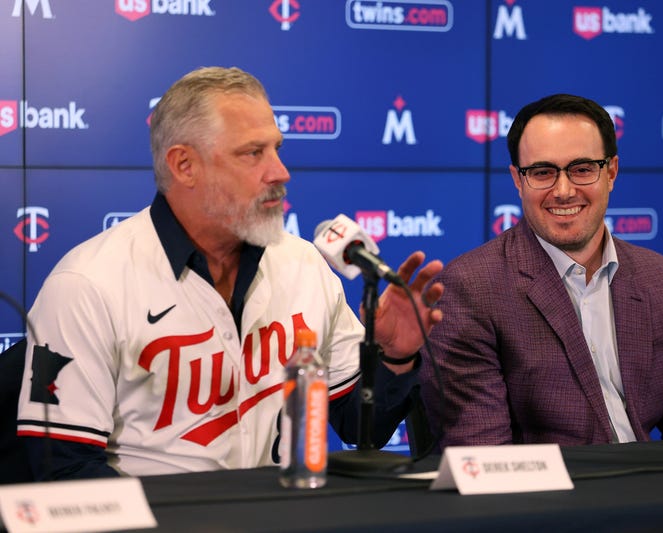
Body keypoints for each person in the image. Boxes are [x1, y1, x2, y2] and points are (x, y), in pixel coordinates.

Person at [16, 66, 443, 479]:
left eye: (277, 148)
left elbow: (361, 429)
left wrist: (396, 358)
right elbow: (63, 469)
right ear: (185, 166)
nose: (280, 172)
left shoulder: (303, 265)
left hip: (281, 513)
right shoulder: (87, 283)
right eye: (253, 153)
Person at [419, 94, 663, 447]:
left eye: (582, 169)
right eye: (542, 173)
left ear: (611, 172)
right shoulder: (470, 288)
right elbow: (484, 460)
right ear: (517, 180)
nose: (564, 191)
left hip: (659, 493)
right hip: (545, 498)